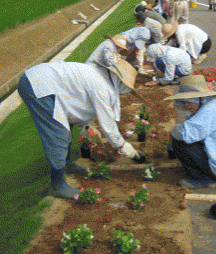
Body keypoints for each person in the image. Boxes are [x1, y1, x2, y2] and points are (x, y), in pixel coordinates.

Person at [17, 59, 144, 200]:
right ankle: (57, 186)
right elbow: (108, 126)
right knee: (58, 133)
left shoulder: (100, 75)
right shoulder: (102, 87)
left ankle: (67, 164)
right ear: (121, 83)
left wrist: (87, 126)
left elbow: (77, 102)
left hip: (42, 80)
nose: (125, 92)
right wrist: (127, 149)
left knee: (66, 124)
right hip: (38, 85)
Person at [164, 75, 216, 188]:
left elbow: (184, 134)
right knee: (185, 137)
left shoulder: (209, 111)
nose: (186, 105)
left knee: (179, 142)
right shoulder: (211, 106)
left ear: (200, 98)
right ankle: (211, 175)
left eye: (190, 101)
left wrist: (173, 129)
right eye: (185, 101)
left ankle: (203, 179)